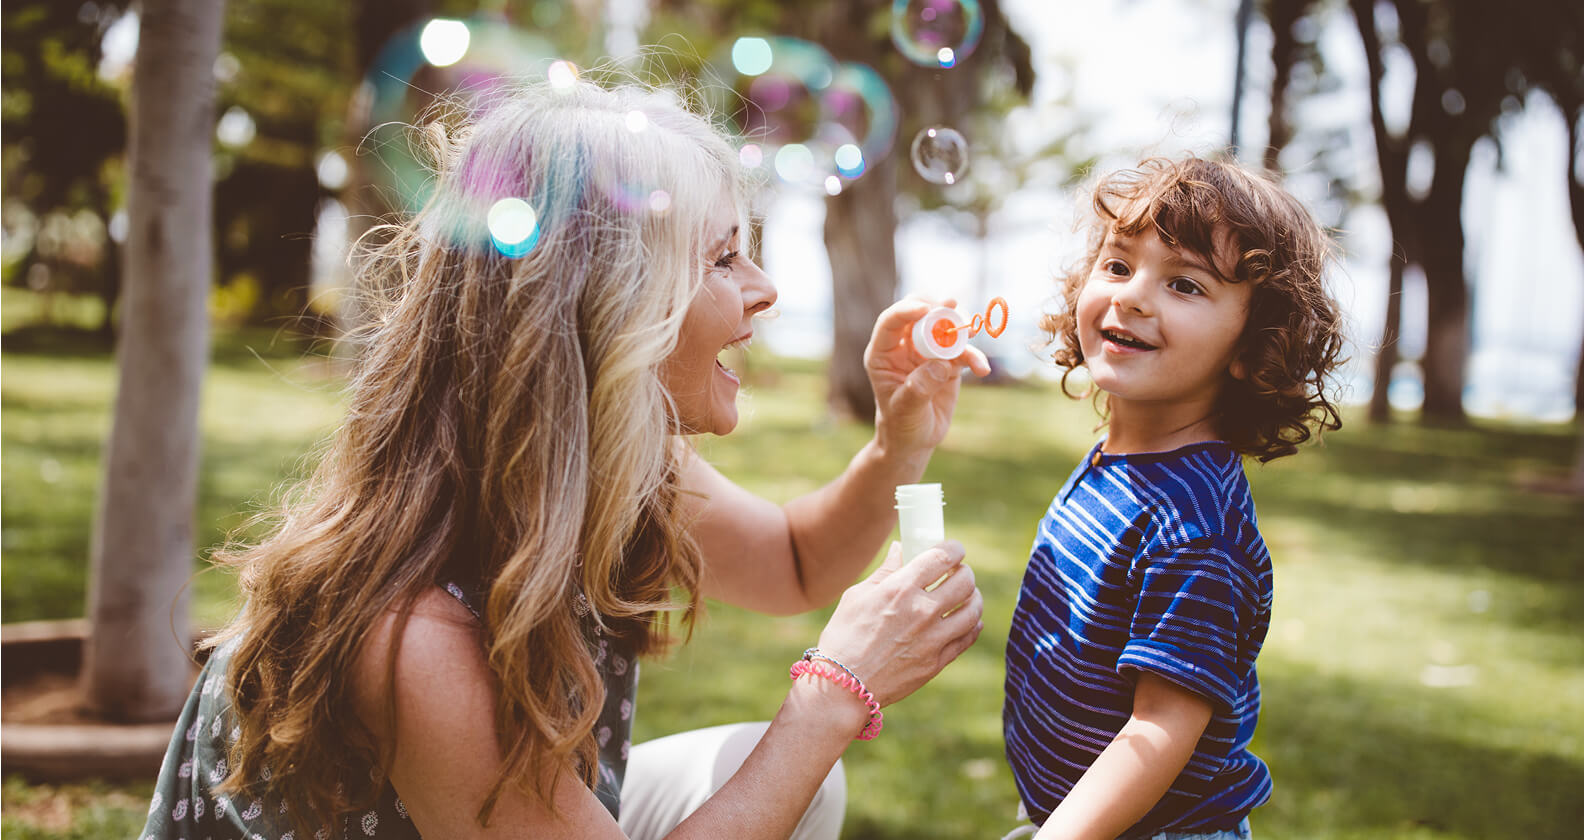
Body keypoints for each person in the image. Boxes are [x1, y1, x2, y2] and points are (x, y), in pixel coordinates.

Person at [140, 78, 990, 840]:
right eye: (723, 257)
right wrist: (832, 694)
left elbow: (796, 564)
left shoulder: (615, 464)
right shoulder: (410, 634)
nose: (766, 289)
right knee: (793, 761)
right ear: (607, 313)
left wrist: (896, 445)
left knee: (772, 778)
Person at [1000, 156, 1345, 840]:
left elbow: (1160, 729)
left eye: (1184, 283)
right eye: (1120, 266)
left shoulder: (1197, 531)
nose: (1132, 296)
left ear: (1253, 346)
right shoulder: (1120, 458)